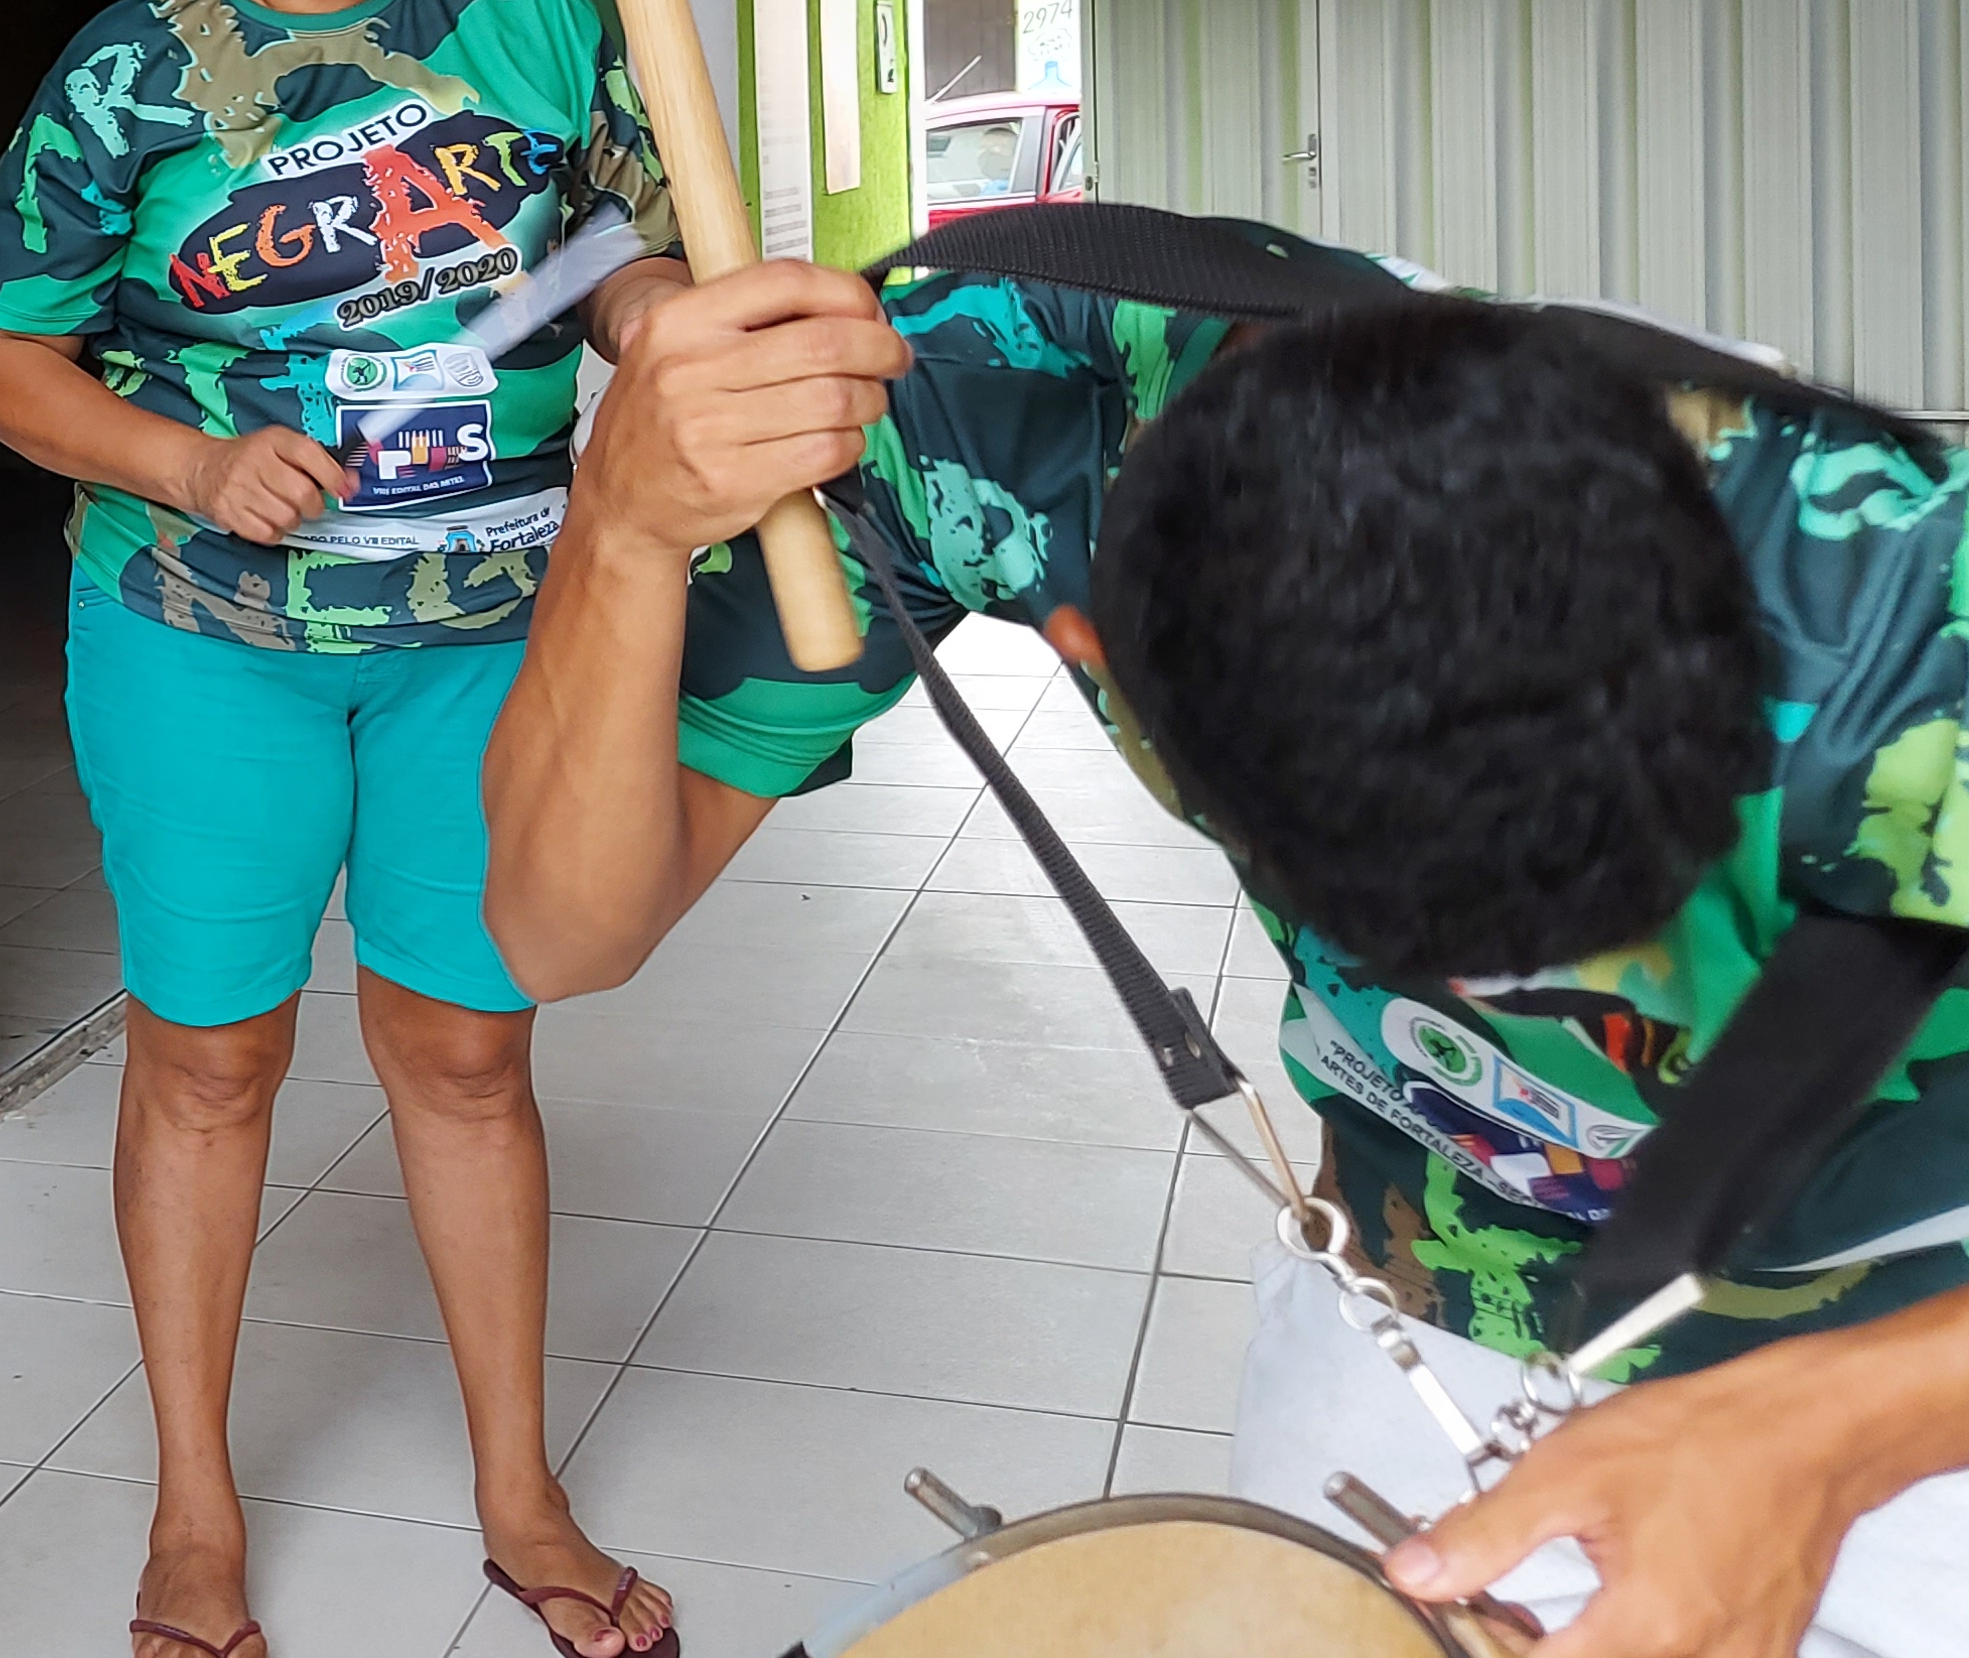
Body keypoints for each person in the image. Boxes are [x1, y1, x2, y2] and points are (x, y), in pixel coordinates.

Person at [480, 238, 1969, 1657]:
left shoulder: (1915, 629)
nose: (1511, 1000)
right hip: (1429, 1291)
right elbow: (558, 936)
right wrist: (625, 523)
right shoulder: (990, 402)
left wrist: (1832, 1433)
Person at [0, 0, 694, 1658]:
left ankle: (520, 1495)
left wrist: (645, 325)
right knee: (211, 1061)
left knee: (466, 1051)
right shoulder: (130, 71)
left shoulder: (525, 15)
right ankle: (193, 1513)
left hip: (486, 633)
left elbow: (613, 247)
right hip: (206, 636)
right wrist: (189, 464)